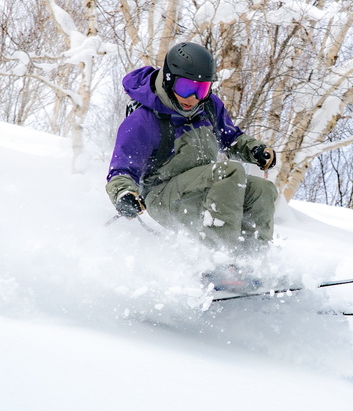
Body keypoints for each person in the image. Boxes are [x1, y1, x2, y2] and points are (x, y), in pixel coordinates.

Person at [106, 42, 280, 254]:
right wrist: (124, 194)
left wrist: (254, 150)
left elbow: (230, 138)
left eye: (202, 89)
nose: (193, 98)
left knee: (263, 189)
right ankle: (219, 257)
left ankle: (253, 260)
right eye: (186, 88)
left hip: (204, 188)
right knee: (230, 172)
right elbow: (121, 170)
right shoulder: (144, 120)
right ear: (170, 80)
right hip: (161, 196)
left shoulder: (208, 106)